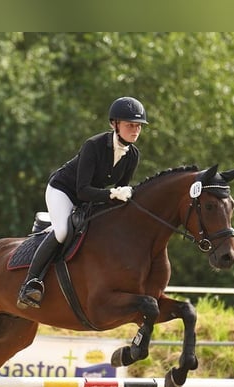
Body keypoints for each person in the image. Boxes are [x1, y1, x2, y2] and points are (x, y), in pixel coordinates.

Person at [16, 96, 149, 309]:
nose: (135, 130)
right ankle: (31, 282)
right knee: (62, 232)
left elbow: (121, 188)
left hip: (90, 198)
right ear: (114, 124)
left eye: (138, 126)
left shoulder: (133, 155)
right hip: (63, 190)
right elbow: (83, 190)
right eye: (130, 125)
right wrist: (112, 195)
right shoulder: (93, 145)